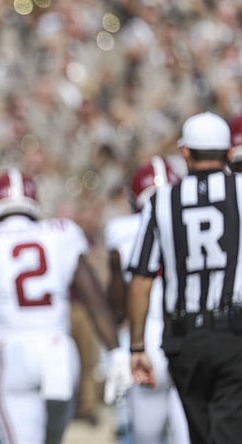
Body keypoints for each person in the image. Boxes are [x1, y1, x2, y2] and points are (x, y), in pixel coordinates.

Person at [0, 168, 119, 444]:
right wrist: (116, 352)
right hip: (59, 352)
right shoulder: (62, 233)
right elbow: (95, 302)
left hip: (12, 351)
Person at [127, 111, 242, 444]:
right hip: (233, 333)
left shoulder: (162, 201)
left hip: (184, 338)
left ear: (185, 153)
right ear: (228, 152)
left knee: (202, 434)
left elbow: (142, 278)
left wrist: (136, 345)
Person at [104, 156, 189, 444]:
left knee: (146, 439)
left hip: (146, 339)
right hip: (188, 333)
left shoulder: (121, 231)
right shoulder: (195, 217)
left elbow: (116, 304)